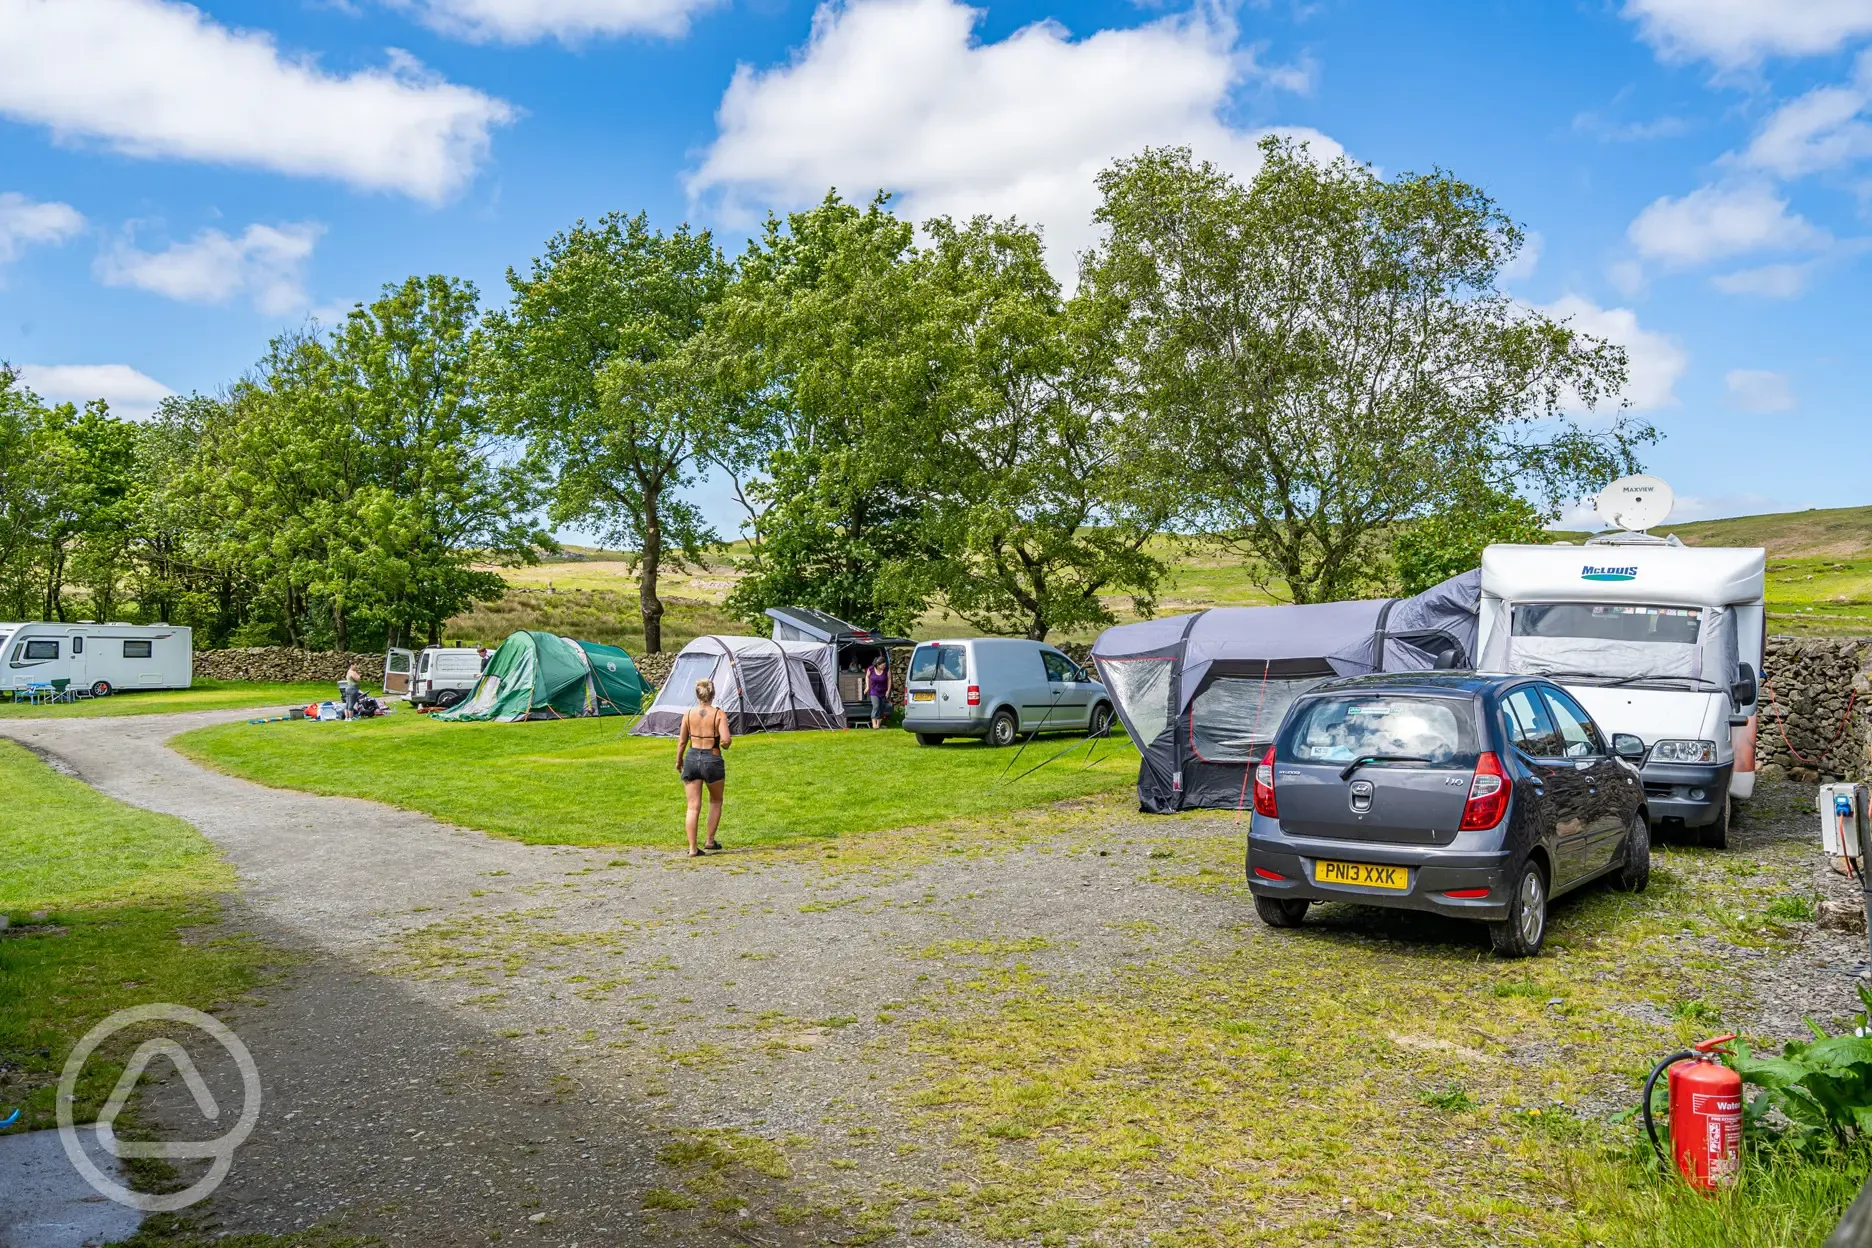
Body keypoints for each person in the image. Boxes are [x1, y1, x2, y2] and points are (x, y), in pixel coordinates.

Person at [675, 679, 730, 856]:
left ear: (697, 694)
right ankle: (710, 840)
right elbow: (726, 741)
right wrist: (724, 743)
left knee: (693, 806)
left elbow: (682, 741)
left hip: (691, 758)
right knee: (715, 800)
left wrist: (678, 761)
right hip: (711, 758)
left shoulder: (688, 714)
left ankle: (692, 849)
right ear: (713, 694)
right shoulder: (719, 715)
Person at [866, 655, 890, 729]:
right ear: (878, 665)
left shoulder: (887, 670)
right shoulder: (871, 669)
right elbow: (867, 676)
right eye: (883, 665)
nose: (884, 666)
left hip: (883, 691)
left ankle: (878, 725)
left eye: (885, 665)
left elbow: (889, 680)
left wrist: (888, 691)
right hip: (874, 691)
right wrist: (867, 687)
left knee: (881, 707)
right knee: (876, 706)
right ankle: (874, 724)